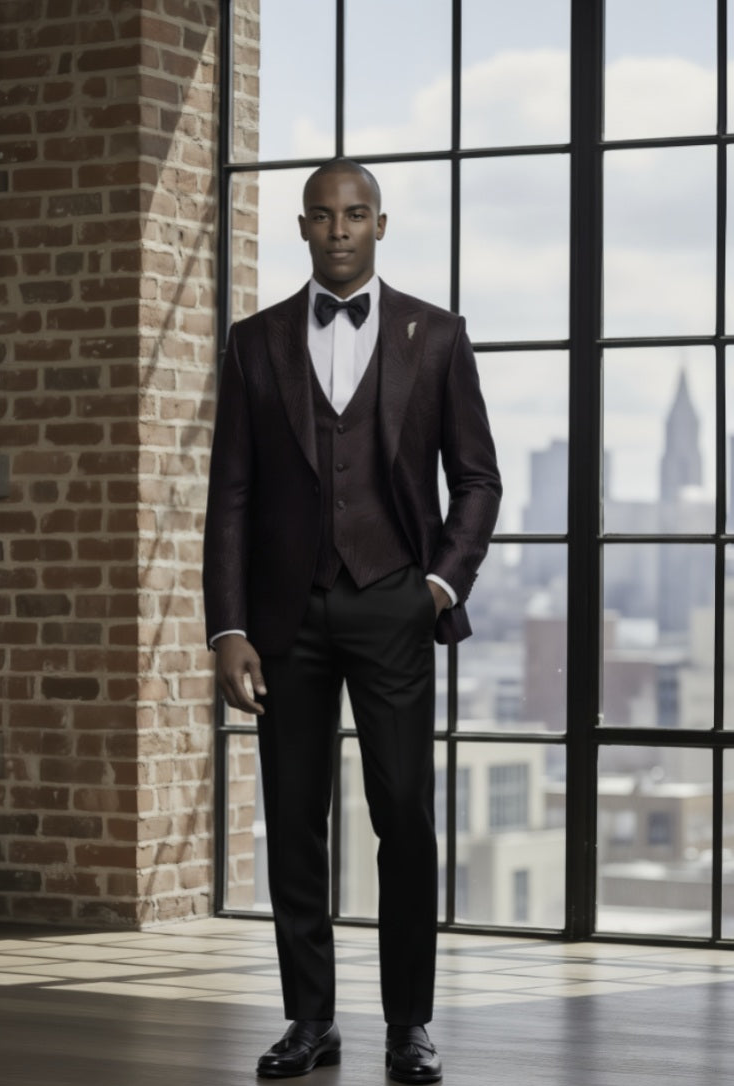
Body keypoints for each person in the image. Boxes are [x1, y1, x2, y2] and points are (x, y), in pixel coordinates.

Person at [203, 158, 501, 1083]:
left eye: (356, 214)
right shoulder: (253, 344)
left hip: (392, 606)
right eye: (323, 216)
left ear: (380, 224)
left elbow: (478, 481)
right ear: (301, 228)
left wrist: (438, 588)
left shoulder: (437, 336)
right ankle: (310, 1021)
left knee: (403, 815)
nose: (339, 229)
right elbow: (231, 499)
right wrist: (228, 629)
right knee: (294, 822)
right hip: (285, 618)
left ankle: (408, 1025)